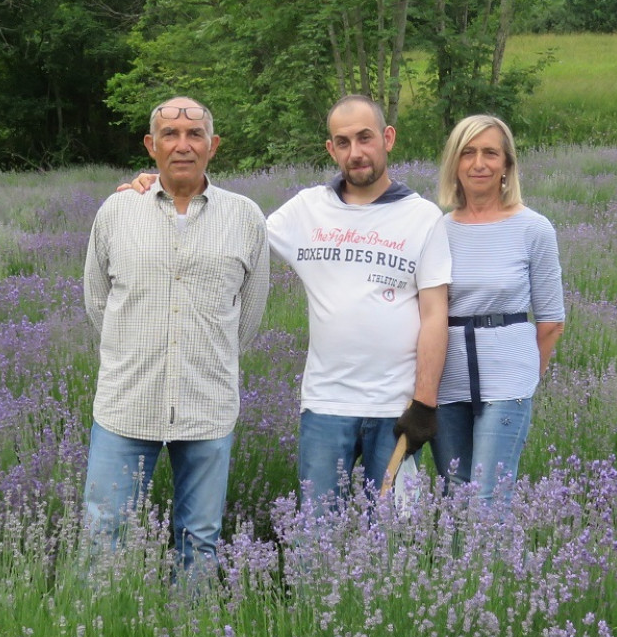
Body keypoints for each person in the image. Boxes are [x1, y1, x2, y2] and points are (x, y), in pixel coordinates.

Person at [123, 96, 448, 505]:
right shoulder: (307, 209)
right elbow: (232, 230)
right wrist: (160, 187)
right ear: (330, 149)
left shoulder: (423, 217)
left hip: (396, 407)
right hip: (325, 405)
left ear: (388, 138)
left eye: (365, 138)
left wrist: (424, 403)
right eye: (343, 142)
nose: (355, 152)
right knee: (317, 527)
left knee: (394, 527)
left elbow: (435, 315)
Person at [82, 97, 270, 567]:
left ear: (213, 145)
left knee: (200, 538)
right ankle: (103, 614)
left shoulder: (245, 217)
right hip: (127, 403)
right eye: (170, 134)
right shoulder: (117, 211)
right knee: (104, 533)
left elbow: (249, 314)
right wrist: (134, 349)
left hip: (207, 405)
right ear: (152, 145)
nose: (182, 145)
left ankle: (191, 616)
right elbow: (98, 301)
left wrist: (207, 353)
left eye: (194, 134)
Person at [433, 114, 565, 506]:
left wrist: (523, 381)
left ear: (507, 164)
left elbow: (551, 321)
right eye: (468, 153)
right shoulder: (437, 230)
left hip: (508, 380)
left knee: (488, 500)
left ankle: (494, 556)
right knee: (455, 498)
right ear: (455, 163)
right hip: (446, 381)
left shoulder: (534, 229)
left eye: (490, 153)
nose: (479, 163)